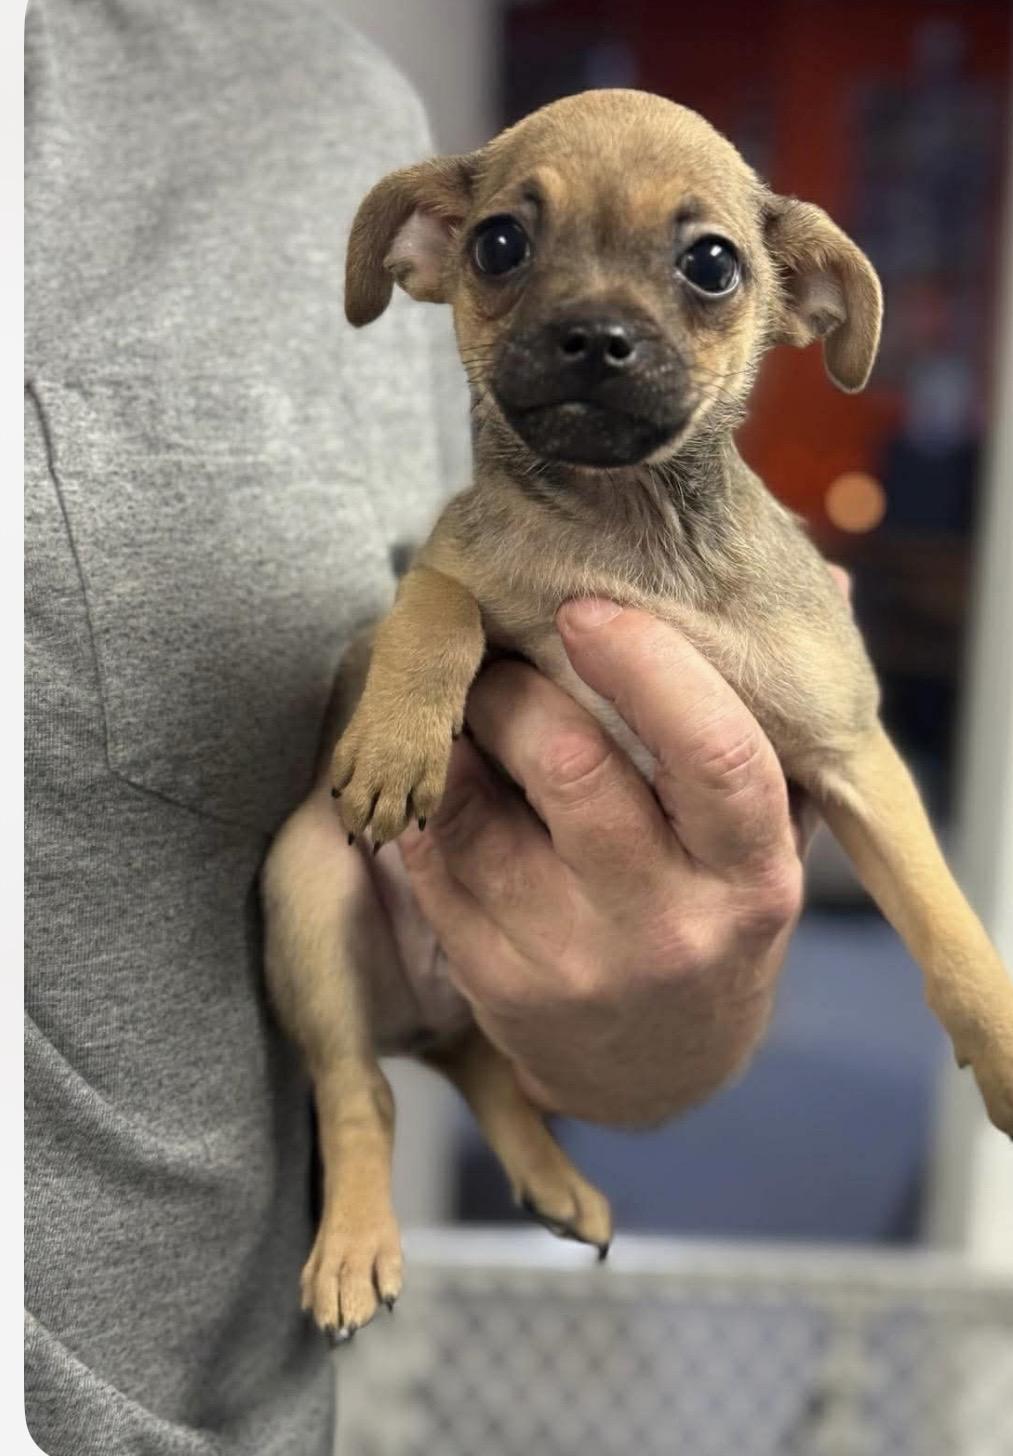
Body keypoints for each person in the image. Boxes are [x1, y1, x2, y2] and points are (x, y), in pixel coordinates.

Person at [24, 2, 812, 1451]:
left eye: (701, 270)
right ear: (427, 253)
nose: (594, 313)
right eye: (510, 250)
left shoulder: (306, 100)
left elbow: (438, 603)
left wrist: (662, 1015)